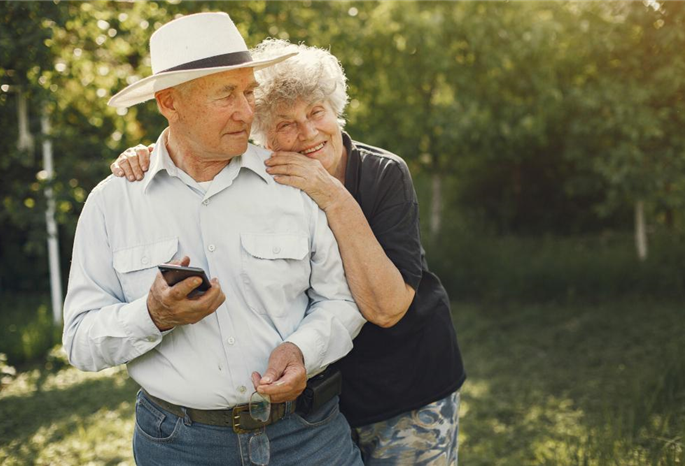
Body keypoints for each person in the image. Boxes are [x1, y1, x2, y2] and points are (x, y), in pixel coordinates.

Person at [113, 38, 467, 465]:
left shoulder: (381, 174)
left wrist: (332, 195)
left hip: (406, 390)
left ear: (335, 109)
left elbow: (388, 308)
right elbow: (196, 152)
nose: (308, 132)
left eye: (316, 112)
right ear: (261, 136)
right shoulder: (268, 181)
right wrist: (155, 156)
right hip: (318, 405)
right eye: (285, 124)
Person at [63, 13, 367, 466]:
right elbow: (80, 341)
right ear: (170, 102)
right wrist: (152, 315)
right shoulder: (112, 203)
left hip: (307, 436)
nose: (247, 111)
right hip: (179, 447)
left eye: (248, 91)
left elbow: (342, 300)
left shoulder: (291, 181)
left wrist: (302, 349)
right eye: (226, 94)